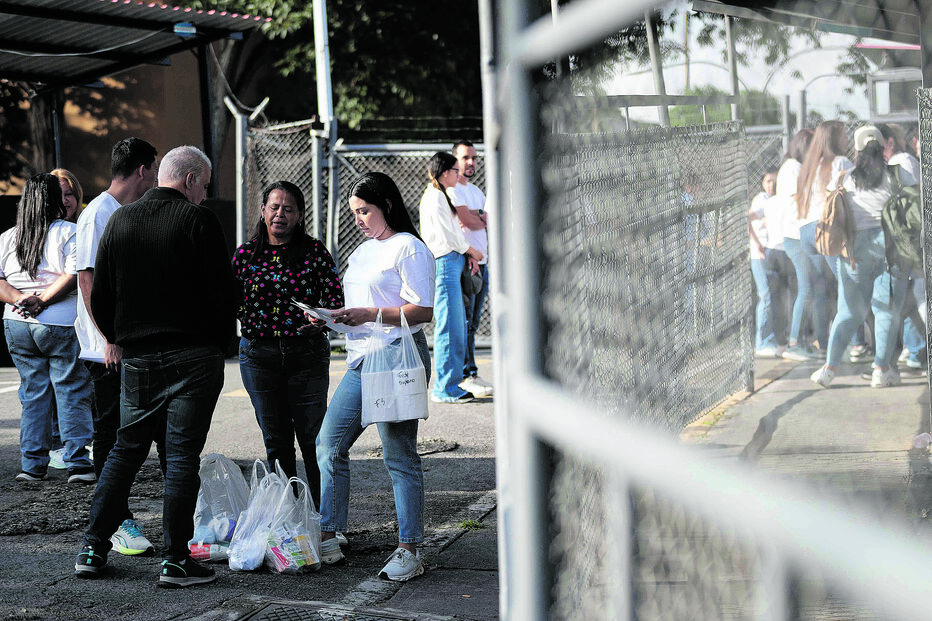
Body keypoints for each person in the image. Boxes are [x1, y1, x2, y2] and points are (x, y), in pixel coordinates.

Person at [74, 145, 237, 588]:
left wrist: (119, 338)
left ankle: (92, 546)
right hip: (194, 355)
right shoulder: (198, 220)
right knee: (181, 457)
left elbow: (100, 294)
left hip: (139, 357)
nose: (205, 194)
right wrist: (219, 343)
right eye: (204, 185)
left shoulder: (120, 220)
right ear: (189, 180)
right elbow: (223, 293)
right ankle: (176, 560)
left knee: (125, 451)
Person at [316, 172, 435, 582]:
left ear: (386, 204)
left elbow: (423, 310)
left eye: (365, 211)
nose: (359, 220)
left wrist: (369, 314)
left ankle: (410, 549)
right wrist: (331, 319)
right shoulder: (364, 251)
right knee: (328, 444)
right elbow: (360, 307)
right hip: (362, 358)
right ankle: (328, 534)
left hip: (397, 355)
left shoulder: (409, 247)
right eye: (354, 213)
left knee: (398, 455)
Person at [233, 180, 343, 509]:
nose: (280, 214)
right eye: (275, 207)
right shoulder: (245, 255)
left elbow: (335, 299)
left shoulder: (314, 252)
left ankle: (326, 520)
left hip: (306, 355)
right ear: (263, 211)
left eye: (288, 209)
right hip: (259, 356)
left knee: (314, 440)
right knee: (276, 442)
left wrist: (321, 319)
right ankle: (290, 519)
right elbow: (230, 299)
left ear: (299, 216)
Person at [75, 137, 160, 556]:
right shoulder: (98, 213)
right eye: (154, 170)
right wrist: (110, 338)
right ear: (143, 170)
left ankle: (118, 517)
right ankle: (116, 522)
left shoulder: (124, 212)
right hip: (106, 349)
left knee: (132, 434)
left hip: (126, 344)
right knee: (112, 435)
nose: (156, 179)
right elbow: (87, 279)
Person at [1, 173, 94, 483]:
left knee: (33, 392)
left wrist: (21, 299)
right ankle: (78, 463)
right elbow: (74, 275)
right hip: (60, 323)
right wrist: (42, 301)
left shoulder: (8, 237)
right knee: (71, 390)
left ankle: (32, 466)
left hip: (17, 323)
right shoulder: (70, 232)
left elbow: (0, 281)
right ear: (54, 199)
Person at [810, 125, 914, 389]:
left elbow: (829, 205)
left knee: (849, 312)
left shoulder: (844, 179)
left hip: (855, 252)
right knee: (886, 311)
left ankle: (829, 368)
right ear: (883, 149)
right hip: (892, 249)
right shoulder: (898, 175)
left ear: (856, 152)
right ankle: (881, 370)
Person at [418, 152, 484, 404]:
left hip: (451, 261)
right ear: (445, 172)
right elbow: (450, 236)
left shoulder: (441, 194)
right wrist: (472, 251)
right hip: (445, 263)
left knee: (456, 327)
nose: (459, 174)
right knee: (449, 327)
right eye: (456, 170)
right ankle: (445, 388)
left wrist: (466, 253)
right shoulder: (435, 196)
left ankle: (450, 385)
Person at [795, 120, 854, 355]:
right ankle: (856, 343)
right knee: (848, 284)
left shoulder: (810, 166)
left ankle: (822, 341)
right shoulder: (840, 162)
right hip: (827, 229)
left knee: (821, 290)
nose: (847, 140)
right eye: (844, 136)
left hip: (806, 231)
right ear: (834, 139)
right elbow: (852, 195)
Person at [452, 140, 493, 397]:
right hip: (469, 263)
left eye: (474, 158)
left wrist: (475, 217)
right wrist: (476, 217)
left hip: (483, 263)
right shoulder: (453, 190)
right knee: (465, 321)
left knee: (473, 323)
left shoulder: (476, 191)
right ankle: (466, 375)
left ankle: (470, 373)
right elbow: (466, 223)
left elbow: (484, 221)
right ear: (454, 160)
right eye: (465, 157)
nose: (471, 162)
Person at [777, 128, 817, 361]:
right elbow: (801, 197)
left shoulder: (793, 166)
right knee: (807, 289)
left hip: (798, 234)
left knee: (809, 288)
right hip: (796, 235)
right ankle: (794, 342)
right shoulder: (792, 167)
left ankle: (801, 339)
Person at [748, 169, 787, 357]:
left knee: (773, 297)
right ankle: (762, 342)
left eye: (775, 181)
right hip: (760, 254)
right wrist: (757, 243)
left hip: (773, 254)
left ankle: (774, 340)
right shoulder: (761, 199)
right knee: (765, 296)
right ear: (763, 183)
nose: (772, 185)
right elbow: (748, 219)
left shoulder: (777, 200)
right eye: (768, 181)